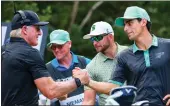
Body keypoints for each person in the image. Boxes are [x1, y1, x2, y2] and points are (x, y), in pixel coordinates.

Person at [73, 6, 170, 106]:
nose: (125, 29)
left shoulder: (167, 46)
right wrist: (88, 82)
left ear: (143, 22)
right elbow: (114, 87)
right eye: (125, 25)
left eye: (129, 23)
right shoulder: (124, 56)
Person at [1, 10, 89, 106]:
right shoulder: (30, 53)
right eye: (37, 28)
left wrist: (60, 91)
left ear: (69, 44)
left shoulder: (3, 50)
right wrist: (79, 81)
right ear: (25, 29)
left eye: (60, 46)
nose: (40, 33)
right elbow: (51, 91)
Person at [78, 21, 128, 105]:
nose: (94, 43)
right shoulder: (91, 66)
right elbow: (88, 101)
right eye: (92, 39)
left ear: (110, 37)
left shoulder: (131, 53)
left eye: (98, 37)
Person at [42, 29, 92, 106]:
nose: (57, 50)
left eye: (60, 46)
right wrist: (57, 94)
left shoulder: (85, 62)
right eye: (53, 47)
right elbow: (43, 97)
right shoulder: (46, 70)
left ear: (69, 44)